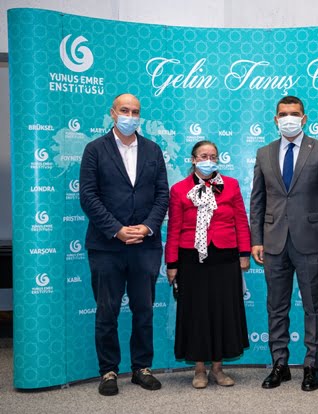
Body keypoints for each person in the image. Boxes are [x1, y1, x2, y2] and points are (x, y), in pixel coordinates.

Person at [250, 96, 318, 392]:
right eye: (283, 114)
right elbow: (257, 201)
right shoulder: (264, 153)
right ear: (275, 119)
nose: (288, 118)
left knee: (314, 306)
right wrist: (256, 240)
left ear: (304, 118)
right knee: (276, 306)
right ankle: (279, 364)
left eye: (294, 114)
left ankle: (312, 365)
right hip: (273, 242)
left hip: (311, 241)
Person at [80, 93, 169, 396]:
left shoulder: (153, 150)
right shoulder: (95, 149)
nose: (130, 116)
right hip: (107, 245)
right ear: (113, 113)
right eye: (124, 110)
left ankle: (142, 368)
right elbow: (88, 196)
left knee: (144, 309)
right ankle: (108, 371)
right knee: (107, 310)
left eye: (135, 111)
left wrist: (147, 226)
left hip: (145, 244)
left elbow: (162, 195)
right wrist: (116, 230)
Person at [165, 140, 251, 389]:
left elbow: (241, 220)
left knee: (223, 312)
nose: (209, 160)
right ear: (193, 159)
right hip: (191, 259)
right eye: (203, 156)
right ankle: (200, 369)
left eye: (213, 156)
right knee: (197, 314)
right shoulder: (179, 189)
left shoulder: (230, 185)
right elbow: (174, 228)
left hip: (225, 257)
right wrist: (172, 263)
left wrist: (244, 253)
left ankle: (218, 368)